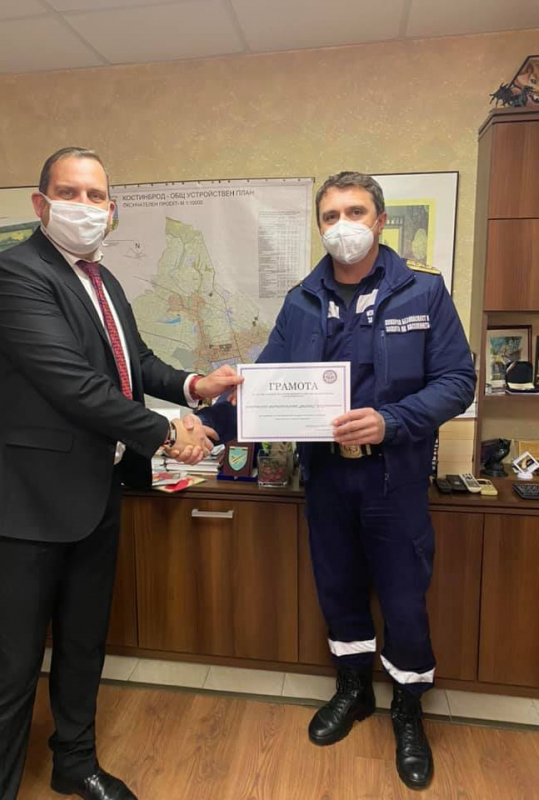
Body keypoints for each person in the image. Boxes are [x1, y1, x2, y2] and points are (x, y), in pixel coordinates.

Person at [0, 146, 242, 800]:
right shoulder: (14, 275)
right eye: (70, 193)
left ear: (111, 210)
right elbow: (72, 383)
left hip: (94, 495)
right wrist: (167, 433)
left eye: (97, 196)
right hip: (24, 508)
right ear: (40, 203)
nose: (85, 207)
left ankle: (74, 763)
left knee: (84, 646)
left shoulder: (101, 279)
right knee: (11, 670)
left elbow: (132, 362)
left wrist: (196, 385)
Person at [198, 172, 476, 790]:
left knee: (403, 599)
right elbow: (265, 386)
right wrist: (207, 424)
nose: (342, 225)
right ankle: (354, 690)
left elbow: (458, 381)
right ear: (319, 225)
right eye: (330, 215)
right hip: (325, 477)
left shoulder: (423, 291)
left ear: (380, 220)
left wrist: (391, 420)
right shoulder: (302, 300)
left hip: (393, 478)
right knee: (338, 588)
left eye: (355, 211)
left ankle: (408, 709)